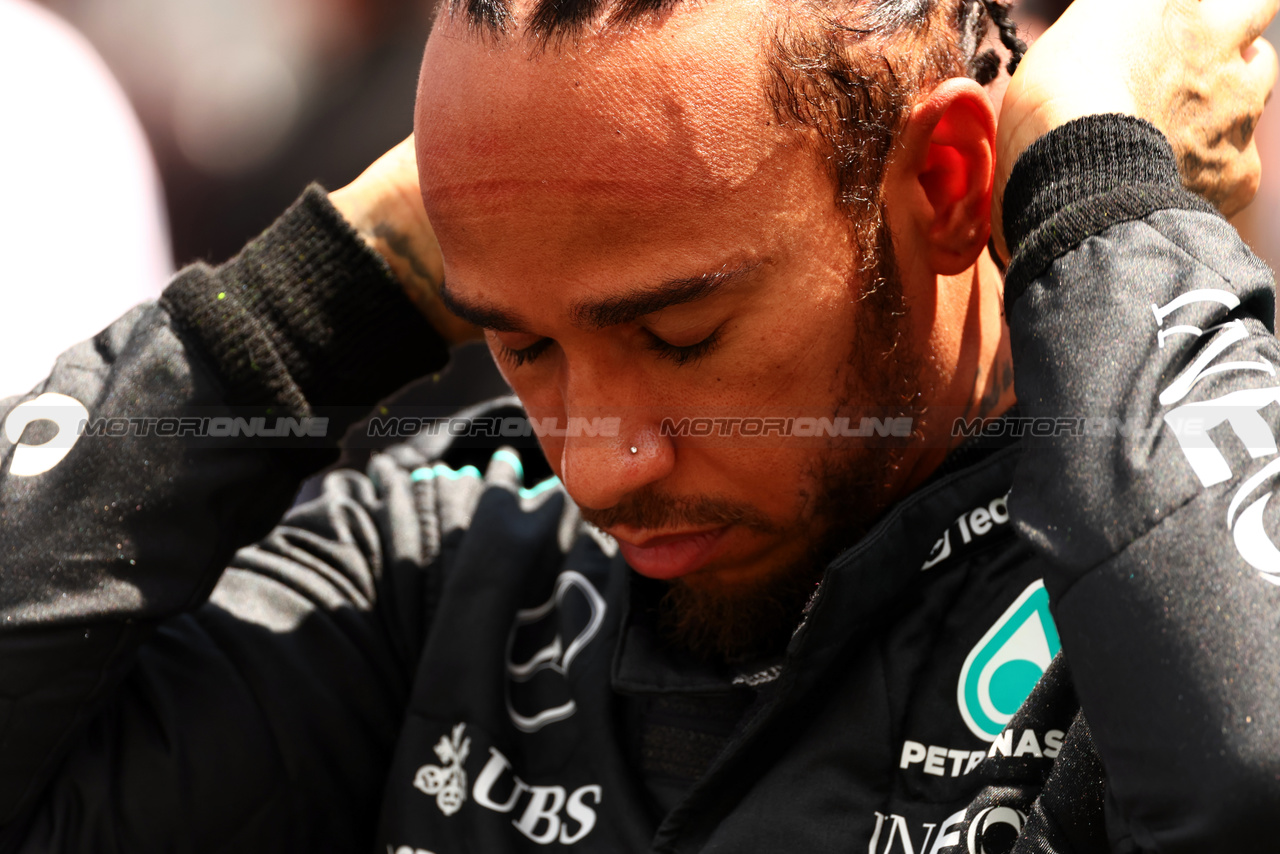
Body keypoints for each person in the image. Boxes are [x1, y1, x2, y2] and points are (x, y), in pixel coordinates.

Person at [1, 0, 1278, 851]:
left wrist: (1097, 197)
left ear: (945, 182)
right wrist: (306, 302)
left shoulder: (1155, 577)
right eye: (523, 343)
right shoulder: (452, 561)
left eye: (680, 337)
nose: (602, 462)